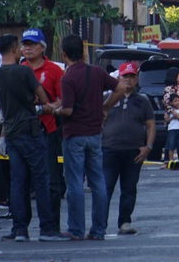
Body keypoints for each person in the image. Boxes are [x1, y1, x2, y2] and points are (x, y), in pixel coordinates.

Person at [0, 34, 66, 242]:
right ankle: (47, 228)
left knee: (18, 182)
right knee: (41, 180)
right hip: (32, 130)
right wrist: (44, 105)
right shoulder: (24, 71)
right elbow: (43, 98)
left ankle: (20, 229)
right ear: (15, 48)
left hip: (12, 132)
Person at [54, 34, 126, 241]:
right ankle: (98, 229)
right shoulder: (96, 72)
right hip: (95, 133)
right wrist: (106, 107)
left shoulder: (68, 78)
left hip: (74, 134)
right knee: (98, 182)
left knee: (75, 183)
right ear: (83, 51)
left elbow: (67, 110)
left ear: (64, 54)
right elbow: (121, 87)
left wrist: (55, 111)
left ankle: (76, 229)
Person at [101, 61, 155, 236]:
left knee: (129, 188)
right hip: (109, 149)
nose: (129, 80)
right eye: (126, 77)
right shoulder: (107, 97)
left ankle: (125, 221)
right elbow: (99, 118)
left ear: (137, 79)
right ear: (119, 77)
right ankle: (100, 223)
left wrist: (148, 146)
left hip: (134, 151)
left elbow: (151, 125)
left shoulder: (142, 101)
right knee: (105, 187)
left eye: (132, 77)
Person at [20, 27, 66, 232]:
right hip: (22, 131)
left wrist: (45, 108)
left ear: (42, 47)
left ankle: (51, 225)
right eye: (25, 44)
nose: (27, 48)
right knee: (21, 181)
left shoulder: (55, 70)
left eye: (32, 44)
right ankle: (20, 228)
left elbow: (63, 101)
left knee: (51, 181)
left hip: (47, 130)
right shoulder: (19, 69)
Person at [164, 94, 179, 162]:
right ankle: (171, 160)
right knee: (171, 145)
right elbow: (166, 119)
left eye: (178, 100)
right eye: (175, 101)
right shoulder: (169, 110)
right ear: (171, 102)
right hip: (172, 129)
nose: (177, 102)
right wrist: (173, 117)